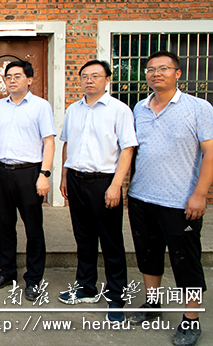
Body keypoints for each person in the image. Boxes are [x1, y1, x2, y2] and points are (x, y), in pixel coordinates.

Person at [127, 51, 213, 346]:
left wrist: (200, 194)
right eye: (151, 69)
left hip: (180, 201)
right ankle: (153, 304)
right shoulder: (139, 108)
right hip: (140, 196)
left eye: (163, 68)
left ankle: (191, 319)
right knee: (148, 255)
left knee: (185, 260)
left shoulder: (198, 108)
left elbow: (210, 153)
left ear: (178, 74)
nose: (156, 74)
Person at [58, 60, 137, 324]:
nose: (89, 80)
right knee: (84, 237)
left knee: (112, 242)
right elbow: (67, 144)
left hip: (105, 182)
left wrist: (117, 184)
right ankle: (86, 288)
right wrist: (64, 176)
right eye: (85, 76)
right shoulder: (73, 110)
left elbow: (127, 149)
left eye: (95, 76)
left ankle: (117, 298)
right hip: (77, 181)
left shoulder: (119, 110)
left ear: (107, 80)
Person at [0, 60, 55, 302]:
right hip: (2, 170)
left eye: (17, 76)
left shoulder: (40, 106)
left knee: (33, 227)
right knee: (4, 225)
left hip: (29, 172)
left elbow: (49, 142)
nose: (12, 80)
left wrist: (44, 175)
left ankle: (34, 279)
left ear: (29, 79)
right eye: (8, 77)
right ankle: (7, 272)